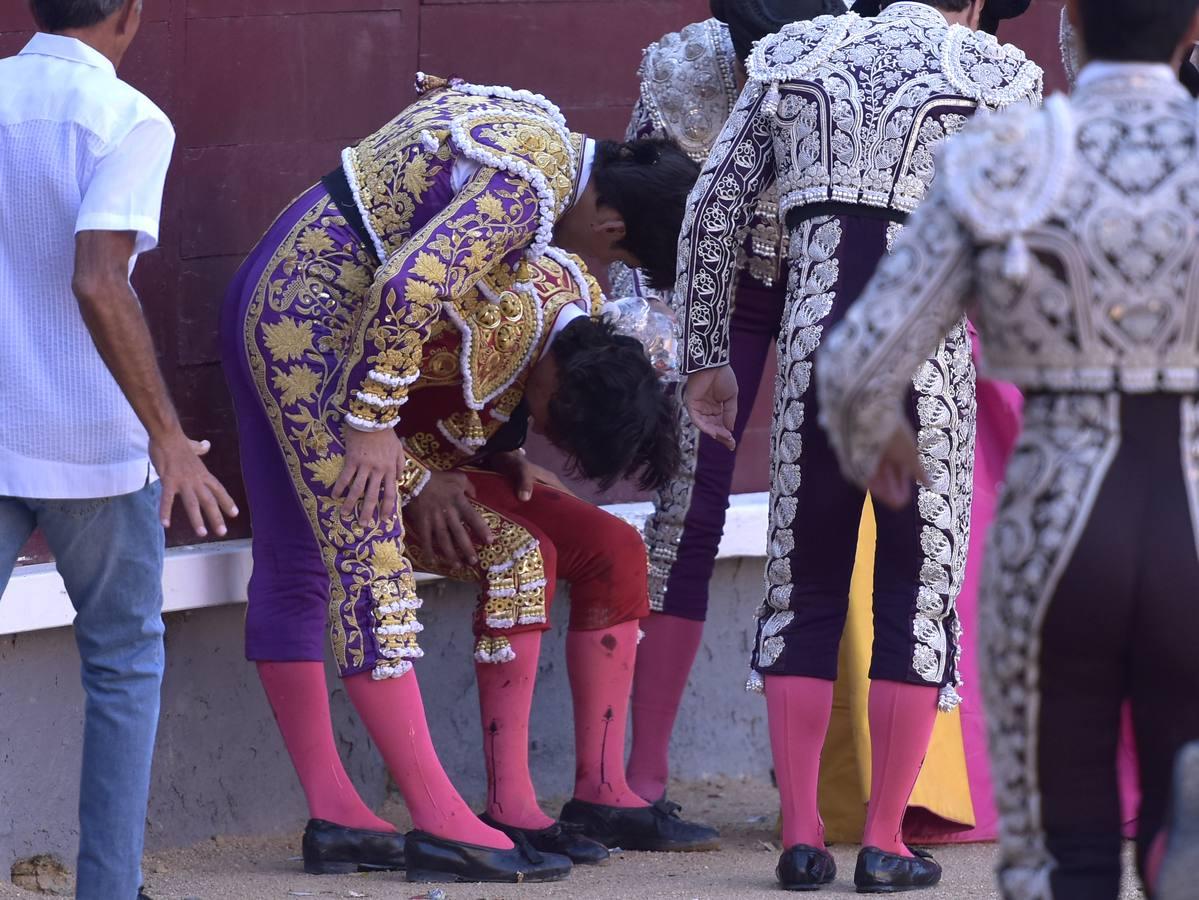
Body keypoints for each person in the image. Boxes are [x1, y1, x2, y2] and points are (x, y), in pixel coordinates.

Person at [221, 72, 703, 883]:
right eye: (613, 252)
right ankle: (441, 820)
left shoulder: (541, 126)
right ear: (611, 221)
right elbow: (409, 285)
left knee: (299, 562)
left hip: (303, 289)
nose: (587, 259)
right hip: (308, 319)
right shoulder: (529, 188)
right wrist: (374, 430)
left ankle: (339, 815)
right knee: (365, 561)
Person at [814, 0, 1199, 896]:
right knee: (1186, 811)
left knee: (1058, 825)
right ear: (1191, 33)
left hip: (1054, 517)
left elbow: (856, 364)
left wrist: (878, 439)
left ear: (1072, 30)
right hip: (1189, 508)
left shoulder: (1004, 156)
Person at [676, 0, 1041, 891]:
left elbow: (709, 214)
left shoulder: (790, 54)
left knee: (803, 586)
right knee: (914, 594)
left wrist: (703, 361)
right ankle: (882, 842)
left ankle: (801, 841)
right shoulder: (998, 76)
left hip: (812, 348)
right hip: (927, 362)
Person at [0, 2, 238, 898]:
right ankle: (109, 888)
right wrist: (170, 438)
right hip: (91, 438)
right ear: (131, 14)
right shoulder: (129, 117)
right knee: (124, 663)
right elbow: (98, 278)